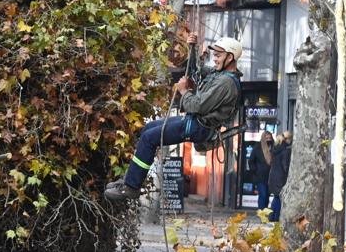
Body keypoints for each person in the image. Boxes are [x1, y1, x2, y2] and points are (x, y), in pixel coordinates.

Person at [105, 36, 244, 202]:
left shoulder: (226, 83)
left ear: (230, 57)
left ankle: (131, 187)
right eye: (215, 55)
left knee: (150, 138)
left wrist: (184, 91)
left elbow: (197, 106)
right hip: (194, 121)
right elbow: (196, 70)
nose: (215, 59)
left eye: (219, 56)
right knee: (148, 129)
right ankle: (129, 179)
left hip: (200, 127)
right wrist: (192, 48)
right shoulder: (218, 74)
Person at [268, 131, 292, 222]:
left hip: (273, 176)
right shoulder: (285, 151)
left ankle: (272, 217)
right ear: (287, 139)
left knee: (276, 197)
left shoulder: (275, 148)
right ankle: (276, 217)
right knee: (279, 198)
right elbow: (285, 166)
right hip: (281, 177)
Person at [248, 130, 274, 210]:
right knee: (262, 194)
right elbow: (251, 161)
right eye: (266, 138)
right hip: (260, 176)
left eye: (269, 137)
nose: (268, 139)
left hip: (270, 176)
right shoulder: (257, 147)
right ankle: (262, 213)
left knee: (267, 195)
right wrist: (256, 171)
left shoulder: (274, 147)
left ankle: (265, 211)